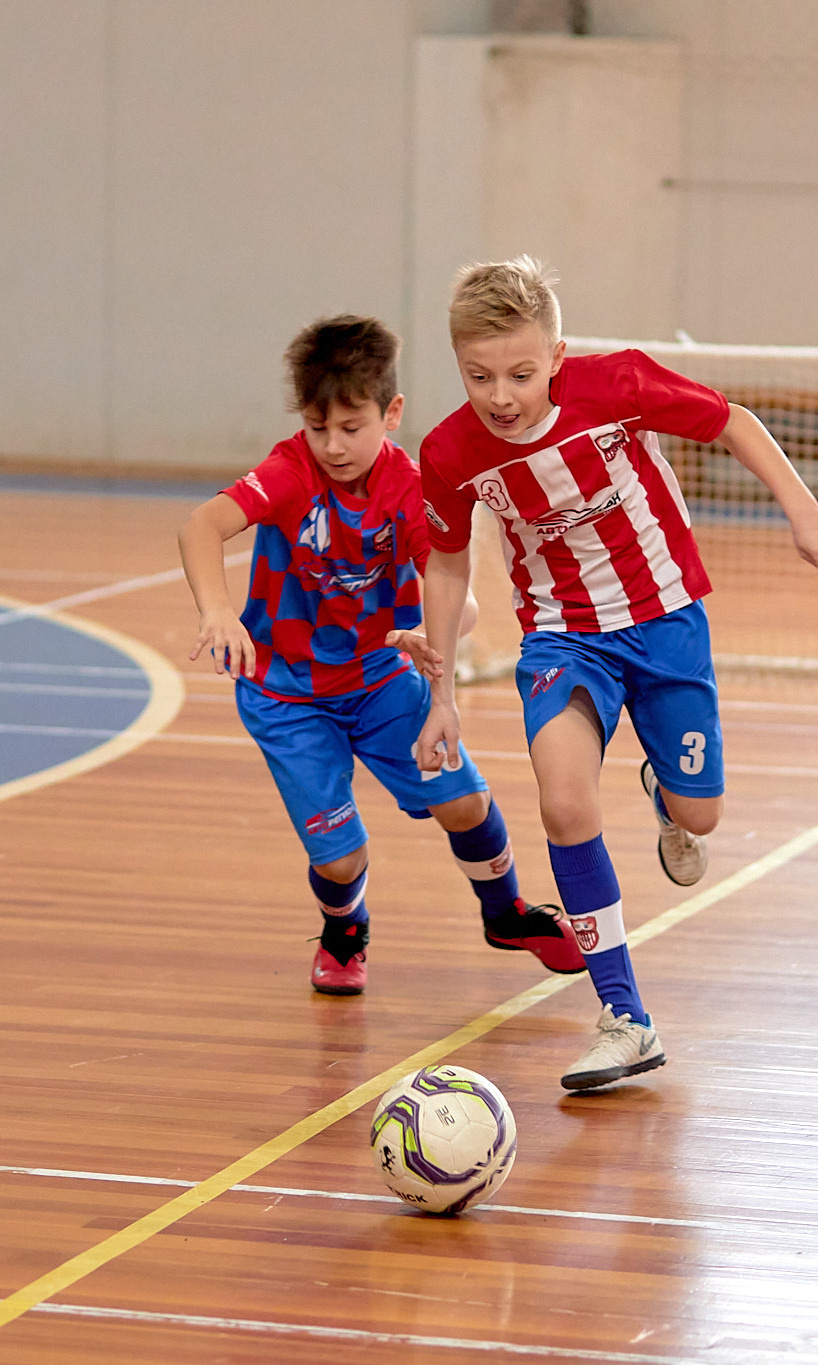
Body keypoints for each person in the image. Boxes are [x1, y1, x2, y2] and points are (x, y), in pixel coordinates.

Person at [413, 258, 818, 1089]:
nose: (501, 396)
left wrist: (805, 514)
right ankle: (625, 1016)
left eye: (520, 374)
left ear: (557, 356)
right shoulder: (449, 452)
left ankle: (667, 794)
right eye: (479, 376)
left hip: (666, 621)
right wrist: (440, 696)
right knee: (563, 801)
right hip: (561, 638)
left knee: (702, 812)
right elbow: (444, 563)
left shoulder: (617, 385)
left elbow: (733, 422)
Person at [178, 314, 585, 997]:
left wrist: (431, 634)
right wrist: (217, 609)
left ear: (391, 414)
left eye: (351, 426)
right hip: (285, 693)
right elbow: (201, 525)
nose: (333, 445)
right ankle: (344, 930)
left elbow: (459, 599)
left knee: (464, 801)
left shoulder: (410, 488)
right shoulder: (289, 472)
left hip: (379, 678)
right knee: (342, 860)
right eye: (318, 427)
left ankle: (506, 913)